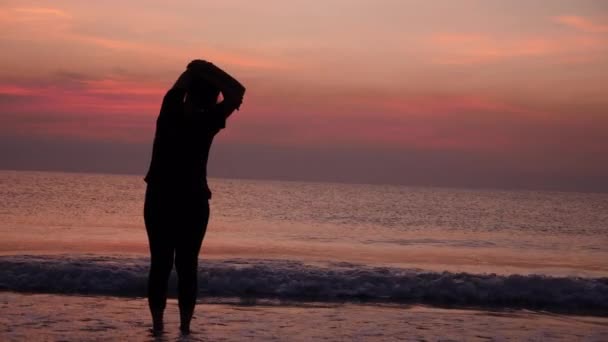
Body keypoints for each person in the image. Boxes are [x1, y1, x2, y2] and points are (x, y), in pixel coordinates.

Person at [143, 60, 245, 335]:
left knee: (173, 265)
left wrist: (197, 68)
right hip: (181, 201)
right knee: (172, 265)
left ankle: (172, 330)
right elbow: (237, 92)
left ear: (189, 94)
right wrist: (206, 69)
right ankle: (169, 329)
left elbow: (182, 83)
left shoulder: (171, 112)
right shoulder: (208, 119)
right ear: (211, 99)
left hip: (167, 200)